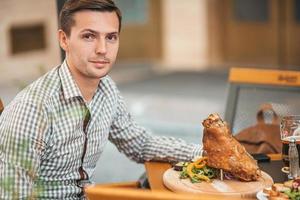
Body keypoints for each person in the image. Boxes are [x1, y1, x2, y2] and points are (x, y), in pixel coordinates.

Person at [0, 0, 202, 199]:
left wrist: (203, 153)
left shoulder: (106, 89)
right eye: (89, 36)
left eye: (111, 37)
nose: (103, 49)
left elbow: (140, 144)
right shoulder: (33, 108)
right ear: (64, 40)